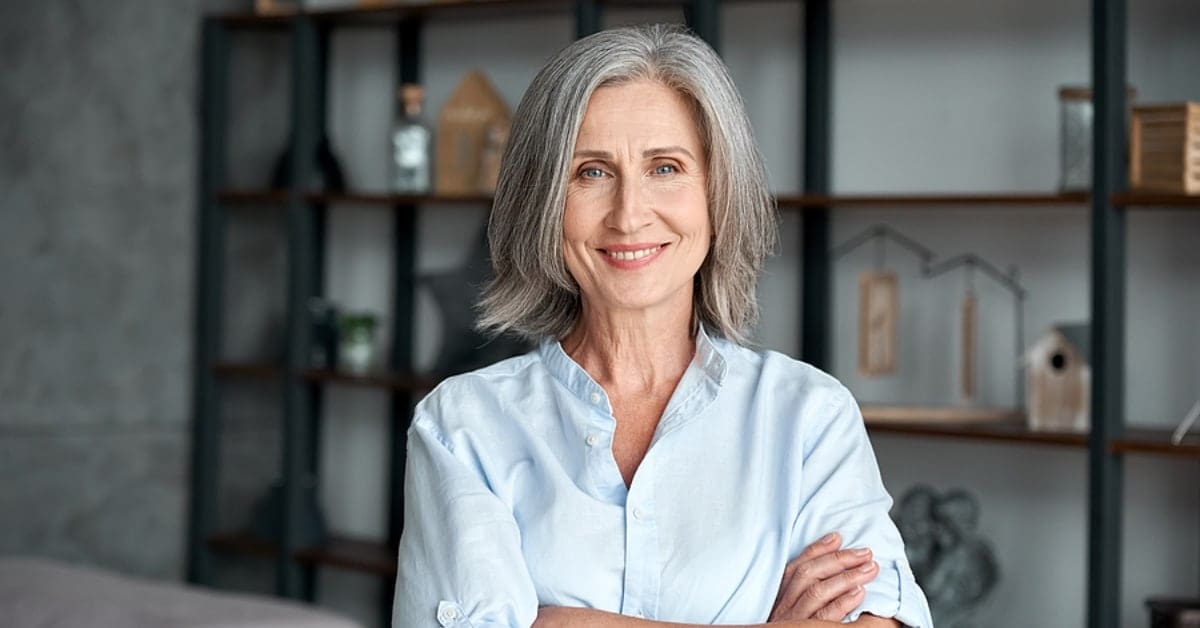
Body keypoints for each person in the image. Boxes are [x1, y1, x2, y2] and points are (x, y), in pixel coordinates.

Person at [392, 24, 933, 628]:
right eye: (591, 172)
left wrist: (559, 620)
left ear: (716, 192)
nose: (629, 214)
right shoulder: (462, 427)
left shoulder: (809, 417)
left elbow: (881, 619)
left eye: (666, 167)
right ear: (544, 201)